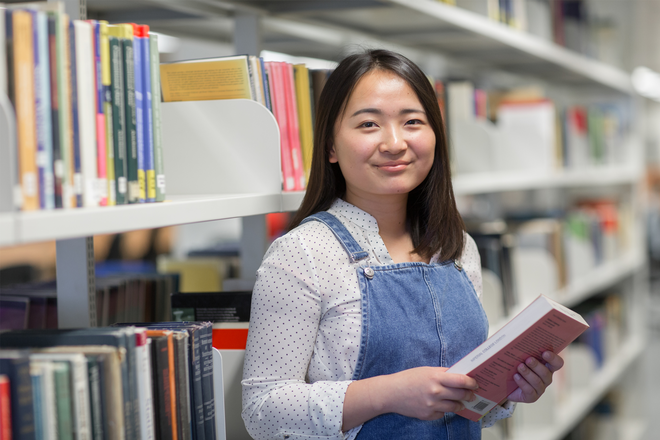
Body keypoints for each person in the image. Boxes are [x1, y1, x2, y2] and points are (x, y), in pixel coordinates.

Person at [242, 49, 564, 440]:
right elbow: (262, 410)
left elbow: (464, 406)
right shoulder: (303, 253)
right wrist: (388, 394)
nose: (394, 143)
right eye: (368, 125)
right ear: (330, 146)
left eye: (412, 121)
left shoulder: (458, 248)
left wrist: (504, 392)